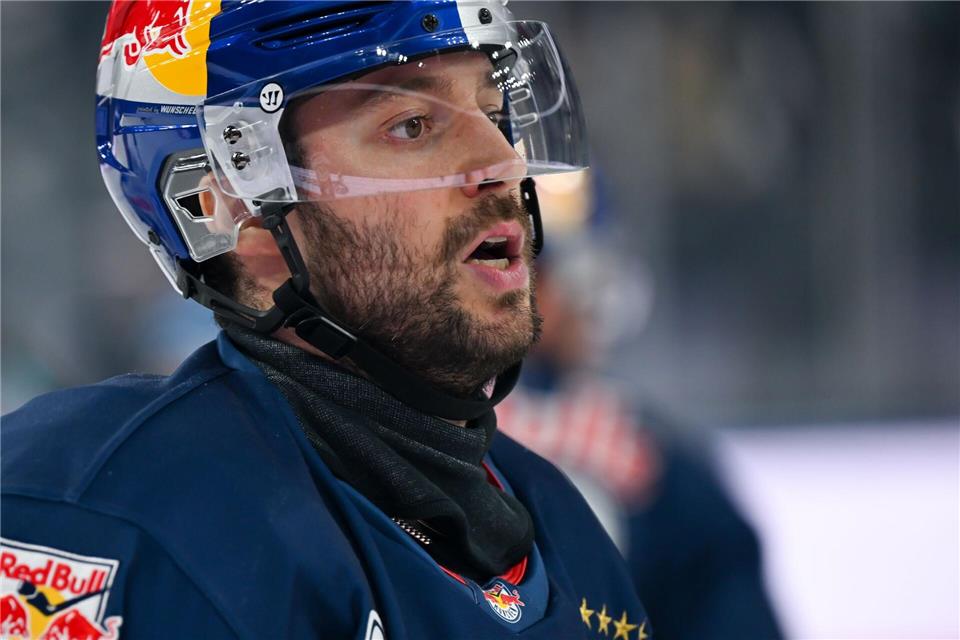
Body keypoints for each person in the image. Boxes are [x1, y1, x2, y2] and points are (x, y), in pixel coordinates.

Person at [1, 1, 651, 638]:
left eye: (493, 111)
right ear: (234, 207)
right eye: (412, 125)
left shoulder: (563, 528)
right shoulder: (116, 513)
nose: (504, 163)